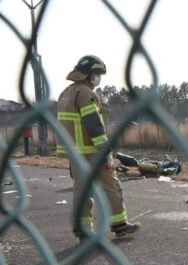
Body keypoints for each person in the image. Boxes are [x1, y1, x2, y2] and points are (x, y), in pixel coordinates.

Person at [56, 55, 141, 240]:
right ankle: (120, 225)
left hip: (75, 152)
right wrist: (105, 150)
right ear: (89, 75)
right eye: (97, 74)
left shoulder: (66, 94)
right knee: (111, 186)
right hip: (91, 151)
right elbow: (93, 124)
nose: (99, 79)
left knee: (81, 190)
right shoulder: (86, 93)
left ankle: (83, 230)